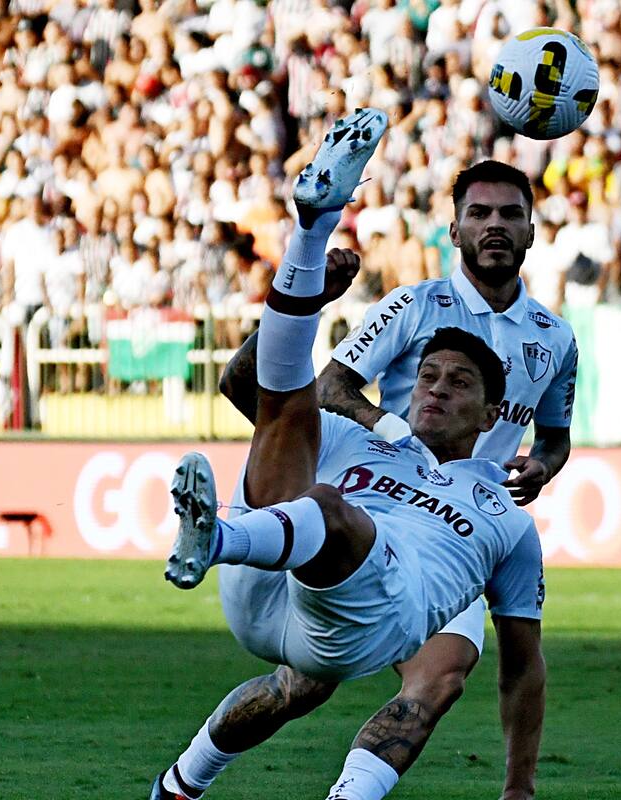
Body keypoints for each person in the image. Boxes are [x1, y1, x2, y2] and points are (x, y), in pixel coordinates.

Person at [151, 110, 546, 800]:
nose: (434, 390)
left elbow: (523, 661)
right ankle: (311, 223)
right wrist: (311, 293)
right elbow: (261, 393)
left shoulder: (507, 512)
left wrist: (519, 787)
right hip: (276, 584)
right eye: (427, 377)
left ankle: (348, 794)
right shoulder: (377, 391)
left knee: (436, 675)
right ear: (454, 228)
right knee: (295, 432)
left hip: (394, 591)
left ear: (492, 414)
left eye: (457, 383)